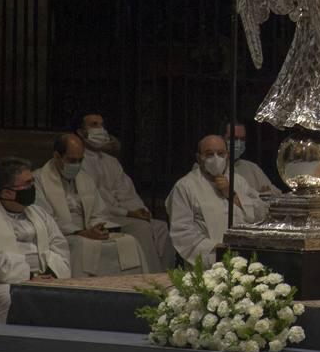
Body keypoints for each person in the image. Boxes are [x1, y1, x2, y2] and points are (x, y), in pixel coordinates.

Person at [0, 157, 72, 324]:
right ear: (7, 192)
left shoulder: (38, 213)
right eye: (27, 184)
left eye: (32, 182)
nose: (33, 188)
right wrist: (29, 276)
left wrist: (51, 273)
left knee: (68, 294)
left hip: (45, 276)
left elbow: (59, 244)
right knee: (9, 297)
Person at [32, 133, 146, 277]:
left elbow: (99, 212)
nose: (76, 165)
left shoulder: (85, 178)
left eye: (80, 160)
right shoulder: (38, 179)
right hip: (63, 236)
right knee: (82, 246)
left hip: (89, 231)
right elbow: (45, 219)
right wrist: (80, 232)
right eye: (72, 160)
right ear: (57, 156)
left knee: (130, 242)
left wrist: (98, 227)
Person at [77, 113, 171, 271]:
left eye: (101, 124)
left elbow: (126, 191)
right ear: (81, 132)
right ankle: (149, 277)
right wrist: (128, 213)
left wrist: (139, 209)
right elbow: (94, 200)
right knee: (142, 227)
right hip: (105, 215)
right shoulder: (80, 161)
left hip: (123, 213)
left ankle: (167, 273)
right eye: (94, 125)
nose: (100, 129)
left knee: (160, 227)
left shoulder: (110, 161)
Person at [166, 134, 269, 265]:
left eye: (220, 153)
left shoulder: (238, 181)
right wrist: (218, 248)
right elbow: (182, 232)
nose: (216, 159)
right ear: (199, 158)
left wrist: (231, 195)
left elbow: (261, 214)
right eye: (209, 154)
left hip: (244, 255)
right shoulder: (185, 186)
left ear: (227, 155)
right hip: (210, 258)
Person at [224, 122, 281, 197]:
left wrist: (266, 192)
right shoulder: (216, 168)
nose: (238, 143)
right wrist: (258, 195)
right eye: (234, 138)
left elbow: (277, 192)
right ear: (222, 138)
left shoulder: (252, 167)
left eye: (242, 139)